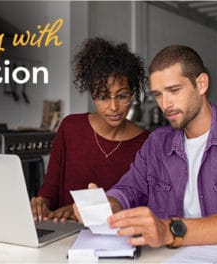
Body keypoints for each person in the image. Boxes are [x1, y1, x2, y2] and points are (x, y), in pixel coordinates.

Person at [76, 45, 217, 248]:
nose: (165, 104)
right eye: (158, 94)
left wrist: (170, 231)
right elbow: (128, 189)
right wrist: (107, 205)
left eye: (174, 90)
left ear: (201, 84)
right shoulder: (157, 143)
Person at [31, 37, 150, 222]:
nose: (113, 107)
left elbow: (139, 203)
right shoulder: (71, 128)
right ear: (92, 96)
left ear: (132, 93)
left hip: (113, 238)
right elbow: (50, 187)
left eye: (122, 95)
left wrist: (79, 210)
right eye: (103, 96)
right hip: (62, 233)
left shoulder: (146, 143)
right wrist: (42, 203)